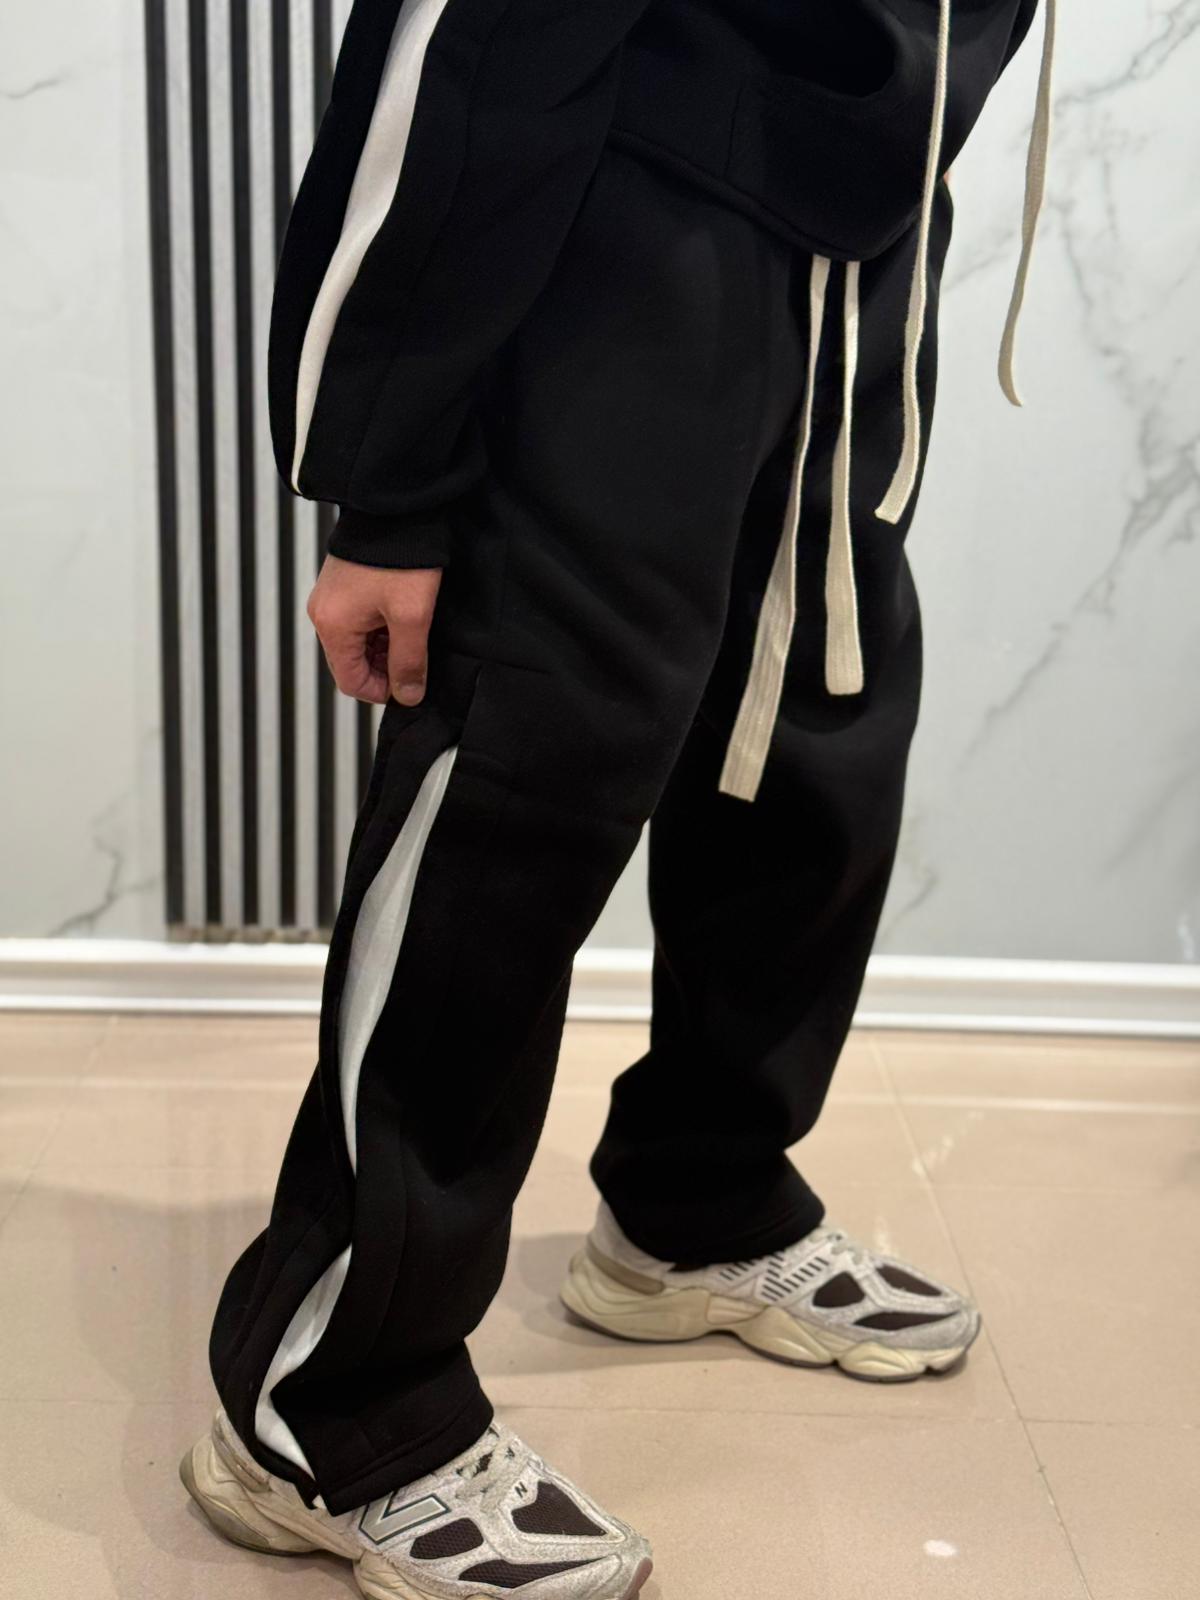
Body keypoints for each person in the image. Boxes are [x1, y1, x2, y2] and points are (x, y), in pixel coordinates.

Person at [181, 2, 1056, 1595]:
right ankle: (331, 1401)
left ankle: (695, 1206)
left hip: (859, 253)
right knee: (516, 797)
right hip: (621, 225)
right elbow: (457, 41)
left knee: (810, 750)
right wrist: (389, 483)